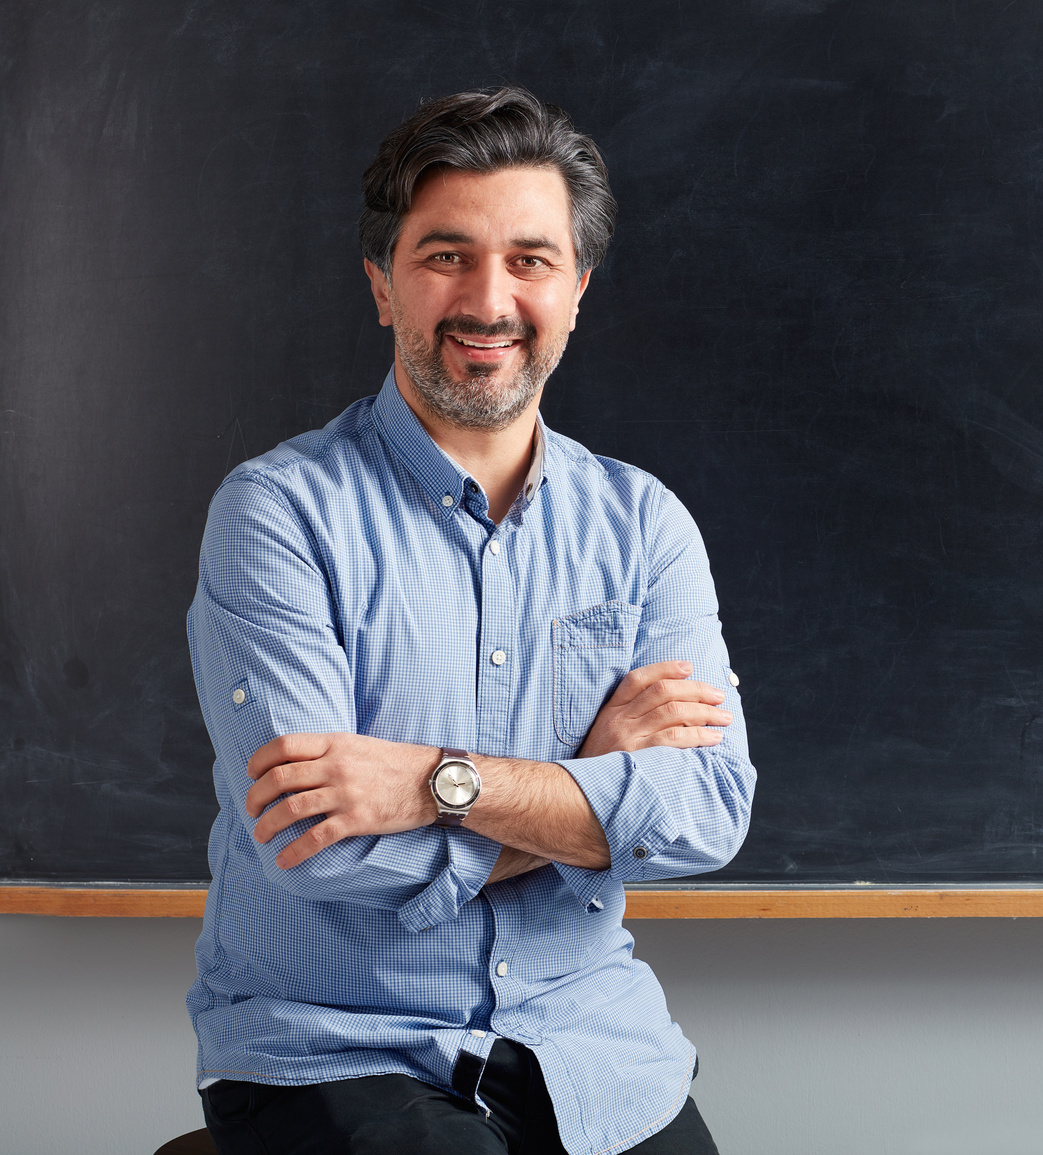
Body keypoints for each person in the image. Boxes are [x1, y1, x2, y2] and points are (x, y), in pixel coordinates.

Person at [184, 86, 753, 1155]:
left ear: (576, 289)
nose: (488, 299)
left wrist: (441, 785)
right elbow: (316, 850)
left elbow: (708, 811)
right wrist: (590, 790)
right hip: (335, 1043)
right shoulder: (277, 514)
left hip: (588, 1042)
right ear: (382, 284)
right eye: (446, 255)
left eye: (530, 260)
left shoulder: (644, 527)